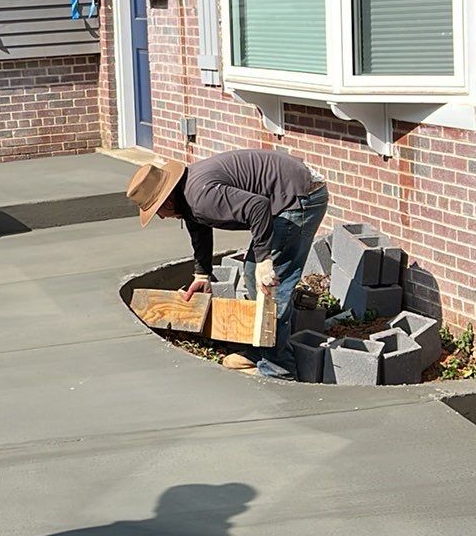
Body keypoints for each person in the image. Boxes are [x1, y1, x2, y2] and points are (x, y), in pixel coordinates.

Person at [126, 149, 329, 377]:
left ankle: (279, 369)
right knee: (253, 274)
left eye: (158, 210)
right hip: (288, 192)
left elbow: (258, 207)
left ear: (168, 198)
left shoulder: (201, 197)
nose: (161, 217)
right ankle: (263, 350)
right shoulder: (189, 195)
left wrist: (265, 260)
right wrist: (202, 273)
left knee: (271, 287)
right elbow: (199, 227)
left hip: (299, 197)